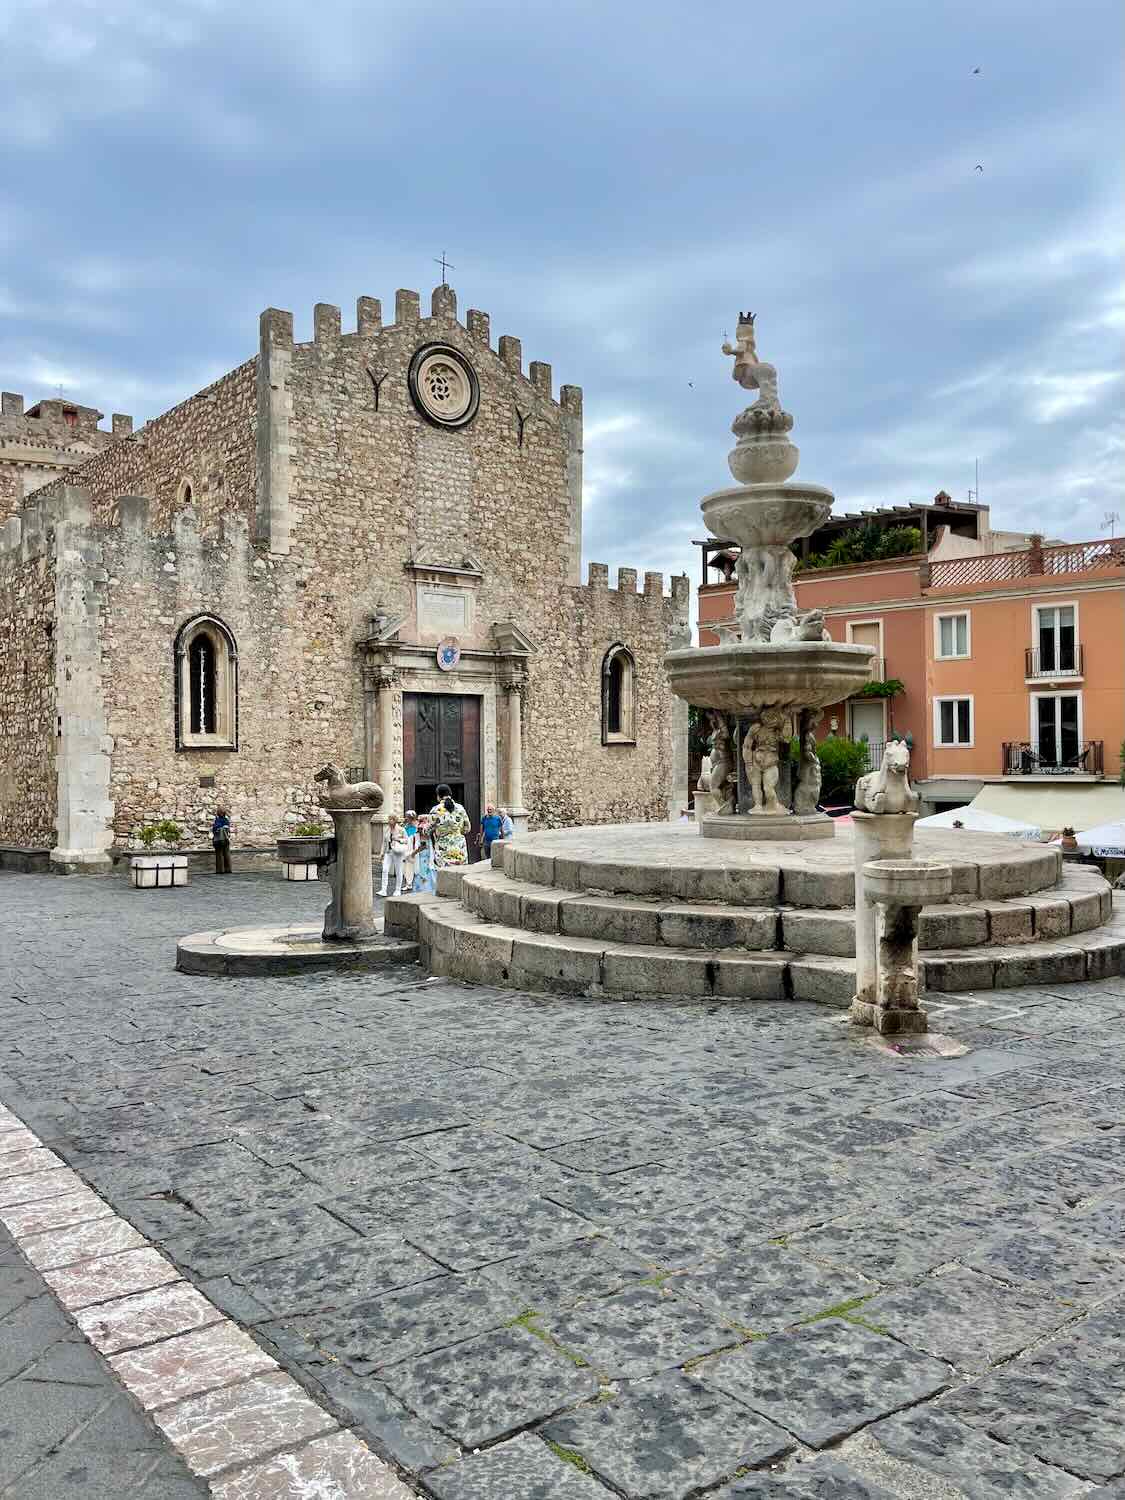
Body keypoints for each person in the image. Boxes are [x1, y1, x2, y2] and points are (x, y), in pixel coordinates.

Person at [431, 795, 470, 867]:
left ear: (438, 796)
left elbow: (429, 829)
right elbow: (467, 828)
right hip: (459, 845)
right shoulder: (460, 808)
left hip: (442, 846)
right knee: (460, 872)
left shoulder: (435, 809)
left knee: (443, 873)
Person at [379, 815, 408, 896]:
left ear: (395, 821)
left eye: (391, 819)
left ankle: (398, 890)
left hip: (398, 852)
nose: (389, 821)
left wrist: (398, 839)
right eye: (389, 819)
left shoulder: (401, 829)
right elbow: (384, 842)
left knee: (399, 871)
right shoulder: (387, 829)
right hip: (388, 852)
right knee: (385, 870)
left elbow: (406, 840)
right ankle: (383, 890)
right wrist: (381, 853)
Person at [412, 815, 437, 893]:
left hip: (430, 866)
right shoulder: (414, 838)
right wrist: (418, 850)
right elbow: (410, 855)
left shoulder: (432, 839)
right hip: (419, 866)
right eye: (421, 829)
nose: (423, 832)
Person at [401, 809, 419, 892]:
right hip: (406, 846)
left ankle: (410, 883)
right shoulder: (405, 826)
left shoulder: (416, 827)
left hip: (412, 847)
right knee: (406, 866)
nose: (406, 818)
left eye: (407, 817)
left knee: (411, 866)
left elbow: (415, 838)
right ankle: (408, 883)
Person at [211, 806, 232, 875]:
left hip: (218, 840)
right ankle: (228, 869)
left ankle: (220, 870)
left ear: (218, 813)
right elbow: (228, 829)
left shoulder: (217, 820)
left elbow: (214, 829)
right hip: (226, 839)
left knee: (219, 854)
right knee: (226, 854)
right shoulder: (226, 820)